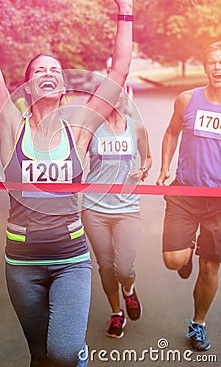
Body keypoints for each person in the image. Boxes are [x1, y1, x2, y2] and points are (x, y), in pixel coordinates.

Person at [0, 0, 133, 366]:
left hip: (71, 261)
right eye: (38, 71)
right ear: (27, 88)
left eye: (54, 70)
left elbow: (117, 73)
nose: (47, 73)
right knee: (40, 355)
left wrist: (125, 13)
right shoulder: (13, 126)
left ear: (63, 87)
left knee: (64, 353)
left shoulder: (78, 132)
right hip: (22, 264)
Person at [156, 41, 221, 352]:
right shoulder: (187, 99)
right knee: (174, 261)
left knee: (210, 267)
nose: (218, 67)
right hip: (184, 192)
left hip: (219, 203)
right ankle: (187, 247)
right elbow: (171, 132)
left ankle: (198, 324)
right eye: (213, 62)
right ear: (205, 66)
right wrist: (164, 167)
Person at [81, 90, 152, 338]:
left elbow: (148, 159)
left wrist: (142, 171)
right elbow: (76, 159)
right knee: (105, 266)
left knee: (123, 268)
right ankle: (116, 313)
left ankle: (129, 290)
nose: (115, 98)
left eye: (120, 93)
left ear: (127, 96)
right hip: (94, 208)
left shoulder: (137, 127)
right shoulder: (91, 129)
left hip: (127, 208)